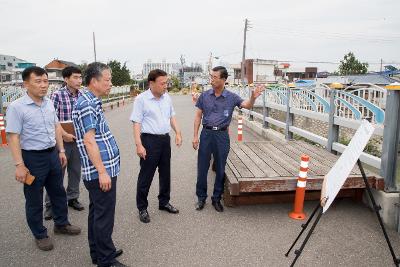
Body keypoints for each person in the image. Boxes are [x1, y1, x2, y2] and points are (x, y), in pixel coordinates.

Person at [6, 66, 81, 251]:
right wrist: (19, 165)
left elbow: (56, 127)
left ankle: (61, 224)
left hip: (52, 154)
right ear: (26, 84)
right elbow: (13, 136)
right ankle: (40, 234)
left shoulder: (48, 103)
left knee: (58, 192)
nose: (43, 85)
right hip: (32, 158)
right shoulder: (17, 107)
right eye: (38, 81)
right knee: (34, 198)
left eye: (45, 81)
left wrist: (62, 151)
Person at [72, 62, 126, 267]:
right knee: (104, 216)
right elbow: (89, 140)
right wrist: (102, 172)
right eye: (107, 79)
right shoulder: (87, 103)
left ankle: (100, 251)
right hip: (99, 171)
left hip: (102, 168)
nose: (110, 83)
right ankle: (106, 260)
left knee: (97, 212)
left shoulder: (90, 100)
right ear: (94, 81)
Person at [192, 66, 264, 212]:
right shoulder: (204, 96)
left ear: (224, 80)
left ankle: (216, 198)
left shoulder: (232, 97)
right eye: (211, 76)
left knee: (220, 168)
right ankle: (201, 198)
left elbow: (247, 105)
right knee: (202, 168)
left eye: (214, 77)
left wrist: (253, 97)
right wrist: (195, 136)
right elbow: (198, 116)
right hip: (206, 134)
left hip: (222, 136)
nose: (211, 79)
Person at [130, 69, 182, 223]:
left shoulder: (167, 98)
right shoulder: (141, 100)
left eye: (167, 83)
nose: (166, 86)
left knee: (165, 173)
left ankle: (164, 202)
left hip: (165, 140)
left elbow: (171, 116)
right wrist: (139, 145)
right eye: (163, 83)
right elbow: (136, 123)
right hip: (149, 141)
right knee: (146, 175)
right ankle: (142, 207)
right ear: (151, 83)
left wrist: (178, 133)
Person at [44, 66, 84, 221]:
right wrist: (64, 134)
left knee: (75, 170)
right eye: (75, 77)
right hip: (61, 140)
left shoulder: (83, 95)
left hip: (78, 139)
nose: (79, 80)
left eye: (80, 77)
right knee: (57, 174)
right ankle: (50, 205)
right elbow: (51, 120)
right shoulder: (57, 95)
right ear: (66, 79)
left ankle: (72, 198)